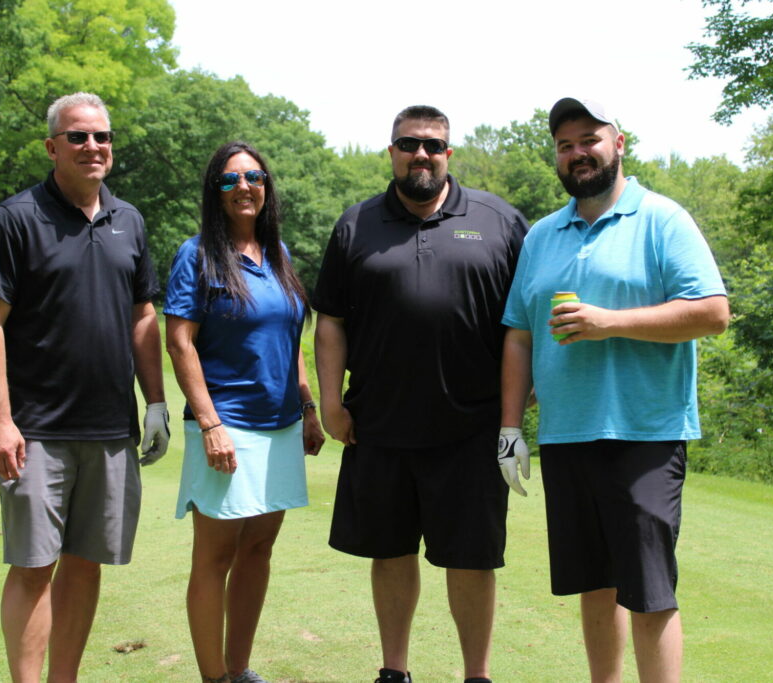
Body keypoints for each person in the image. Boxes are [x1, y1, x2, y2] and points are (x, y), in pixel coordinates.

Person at [499, 97, 730, 683]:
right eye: (564, 144)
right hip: (568, 432)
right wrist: (509, 430)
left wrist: (612, 321)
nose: (577, 153)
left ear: (618, 142)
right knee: (594, 583)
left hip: (645, 433)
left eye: (588, 139)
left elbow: (712, 313)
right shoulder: (542, 236)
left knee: (649, 589)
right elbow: (520, 336)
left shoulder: (662, 219)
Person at [313, 105, 529, 683]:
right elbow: (329, 320)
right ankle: (394, 671)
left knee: (472, 558)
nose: (422, 155)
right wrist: (331, 402)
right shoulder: (356, 225)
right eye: (409, 144)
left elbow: (523, 326)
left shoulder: (499, 221)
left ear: (449, 153)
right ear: (392, 151)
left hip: (473, 428)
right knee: (390, 551)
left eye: (433, 145)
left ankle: (476, 676)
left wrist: (518, 408)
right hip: (380, 424)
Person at [0, 91, 170, 682]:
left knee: (87, 564)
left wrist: (155, 401)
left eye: (102, 137)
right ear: (52, 146)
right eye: (78, 136)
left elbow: (142, 314)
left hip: (110, 428)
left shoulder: (128, 219)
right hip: (36, 430)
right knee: (34, 567)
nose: (93, 147)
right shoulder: (15, 218)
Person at [164, 141, 325, 683]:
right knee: (215, 557)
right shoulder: (198, 254)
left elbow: (292, 341)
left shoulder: (277, 255)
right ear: (216, 191)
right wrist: (210, 424)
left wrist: (308, 407)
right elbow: (180, 342)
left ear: (266, 187)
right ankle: (214, 678)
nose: (244, 187)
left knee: (259, 548)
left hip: (279, 426)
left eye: (253, 177)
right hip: (225, 424)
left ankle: (239, 669)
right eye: (230, 180)